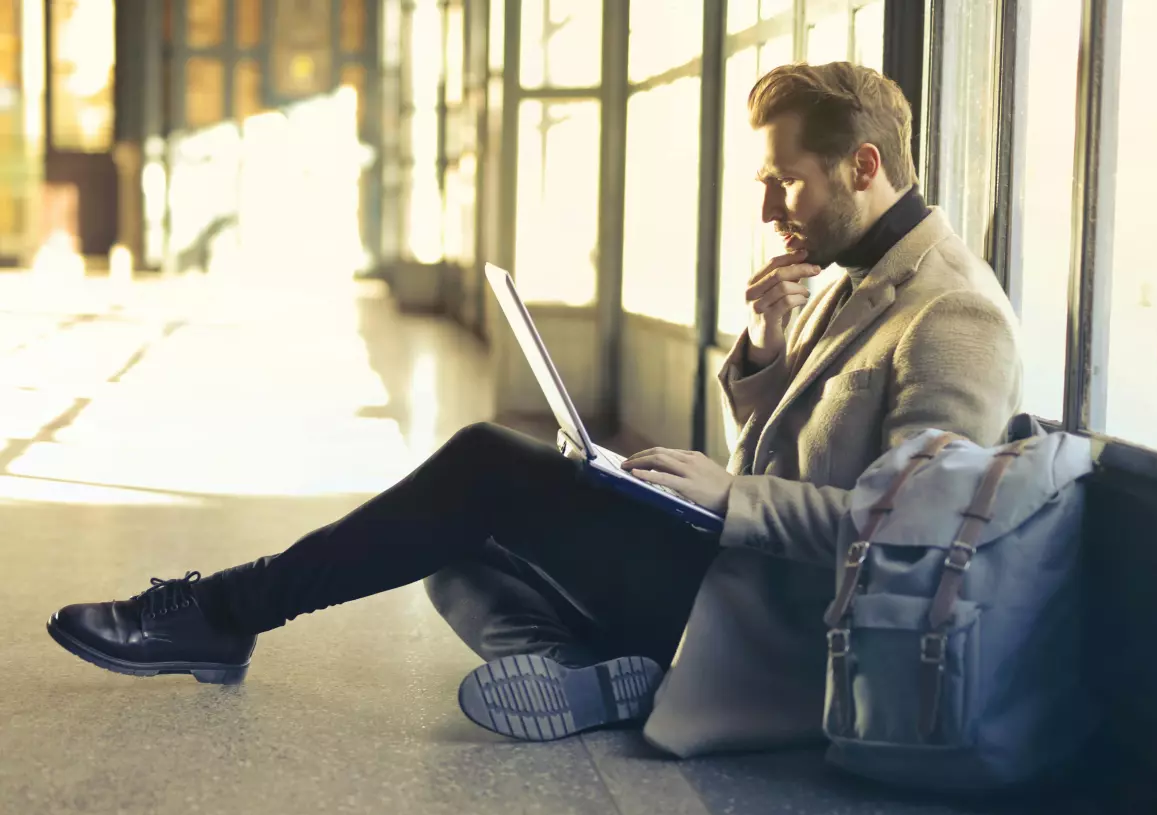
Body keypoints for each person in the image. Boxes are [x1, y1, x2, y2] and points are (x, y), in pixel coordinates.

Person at [45, 62, 1021, 749]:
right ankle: (585, 671)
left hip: (782, 630)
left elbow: (917, 545)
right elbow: (796, 458)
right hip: (730, 570)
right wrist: (765, 355)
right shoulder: (854, 275)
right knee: (452, 545)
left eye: (787, 184)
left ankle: (225, 611)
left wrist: (729, 501)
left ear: (862, 165)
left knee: (481, 466)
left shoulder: (954, 314)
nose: (771, 212)